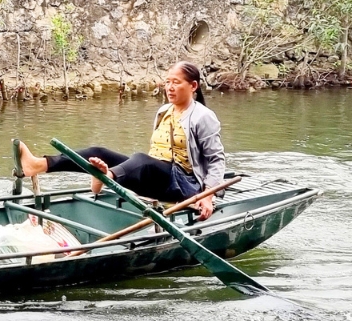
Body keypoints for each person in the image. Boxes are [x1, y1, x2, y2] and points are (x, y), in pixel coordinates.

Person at [17, 61, 224, 220]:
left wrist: (207, 196)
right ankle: (39, 165)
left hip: (183, 186)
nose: (169, 87)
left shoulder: (203, 116)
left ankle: (106, 176)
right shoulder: (164, 110)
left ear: (193, 86)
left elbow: (216, 160)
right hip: (156, 178)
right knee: (99, 152)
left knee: (141, 160)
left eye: (176, 83)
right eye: (167, 82)